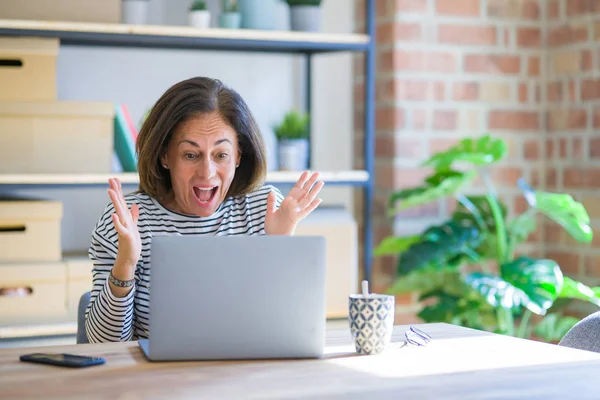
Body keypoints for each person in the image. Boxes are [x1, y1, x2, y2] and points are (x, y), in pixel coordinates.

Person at [85, 77, 324, 343]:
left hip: (244, 377)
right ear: (165, 156)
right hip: (157, 382)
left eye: (220, 155)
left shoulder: (263, 209)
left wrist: (279, 247)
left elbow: (287, 334)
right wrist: (126, 262)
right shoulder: (126, 220)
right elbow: (103, 345)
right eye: (190, 155)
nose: (207, 172)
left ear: (238, 156)